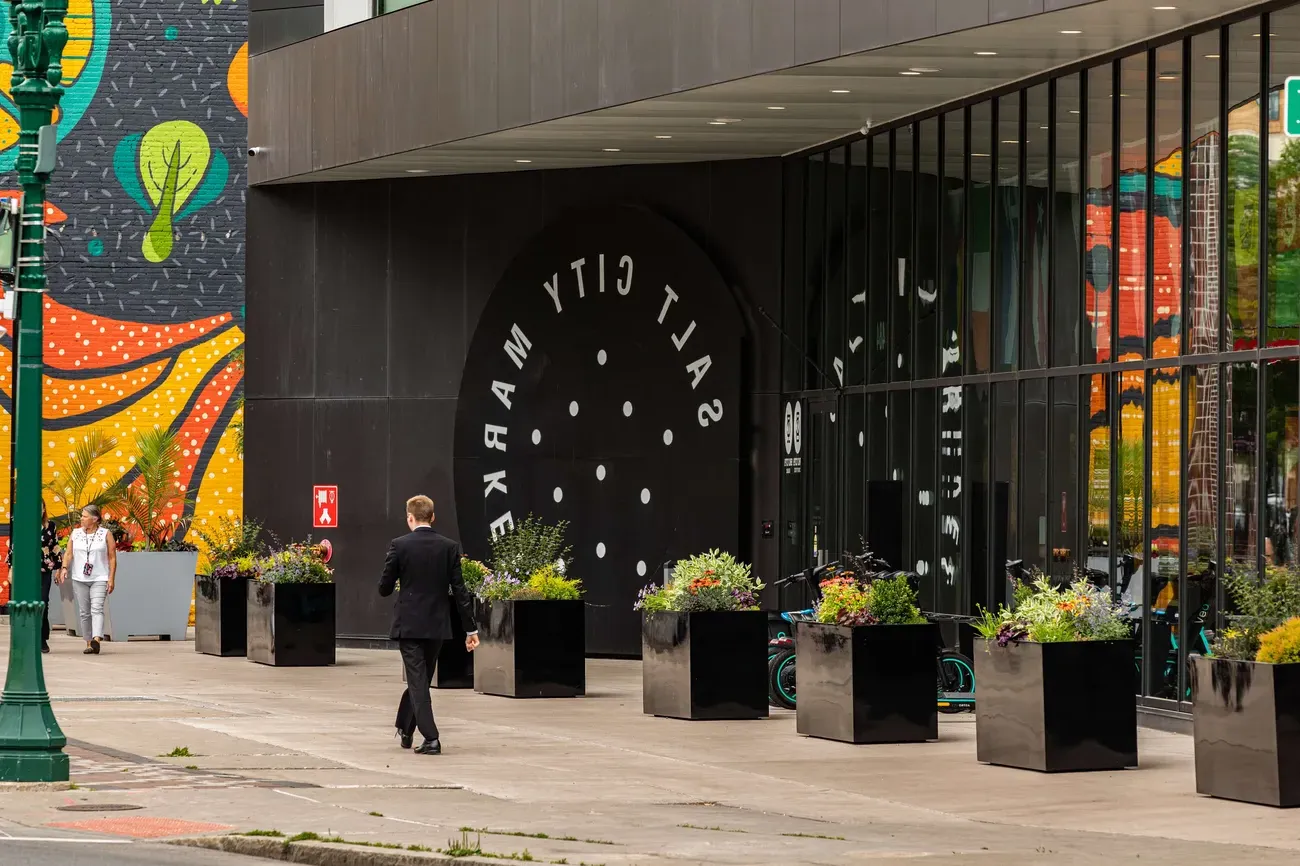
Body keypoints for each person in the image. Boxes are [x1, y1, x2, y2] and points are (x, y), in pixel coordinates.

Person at [379, 495, 478, 755]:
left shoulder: (399, 546)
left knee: (418, 681)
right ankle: (406, 728)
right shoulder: (449, 547)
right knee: (419, 679)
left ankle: (431, 737)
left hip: (409, 624)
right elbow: (460, 591)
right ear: (433, 517)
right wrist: (471, 629)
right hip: (437, 625)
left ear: (409, 517)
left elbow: (384, 588)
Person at [5, 499, 60, 653]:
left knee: (43, 602)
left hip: (44, 570)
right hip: (26, 570)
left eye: (41, 508)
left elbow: (55, 546)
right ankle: (28, 638)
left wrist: (61, 568)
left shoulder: (51, 526)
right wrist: (12, 569)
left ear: (44, 510)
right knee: (27, 603)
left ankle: (42, 638)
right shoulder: (23, 524)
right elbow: (14, 547)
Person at [60, 504, 116, 654]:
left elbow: (112, 557)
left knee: (97, 609)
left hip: (100, 577)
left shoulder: (106, 534)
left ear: (95, 519)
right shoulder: (76, 533)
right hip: (79, 578)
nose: (81, 519)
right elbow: (68, 554)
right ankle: (88, 643)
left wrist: (111, 578)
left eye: (85, 516)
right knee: (84, 612)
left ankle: (97, 639)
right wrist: (64, 568)